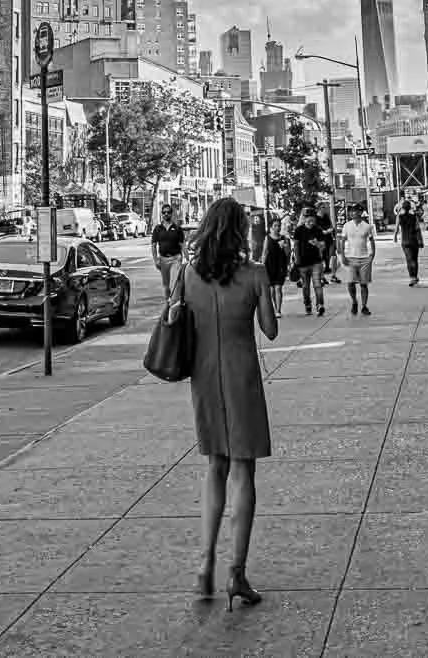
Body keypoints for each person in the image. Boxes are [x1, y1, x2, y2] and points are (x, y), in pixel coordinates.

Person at [179, 196, 277, 611]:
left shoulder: (188, 274)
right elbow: (270, 330)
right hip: (242, 379)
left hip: (204, 378)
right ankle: (236, 572)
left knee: (214, 467)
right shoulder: (254, 274)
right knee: (244, 471)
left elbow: (177, 321)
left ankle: (205, 564)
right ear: (240, 231)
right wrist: (268, 287)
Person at [338, 204, 378, 315]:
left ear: (360, 213)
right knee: (350, 282)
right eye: (351, 211)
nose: (353, 213)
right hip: (351, 258)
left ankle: (364, 306)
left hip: (364, 258)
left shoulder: (367, 226)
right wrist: (342, 256)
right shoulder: (347, 226)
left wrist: (372, 254)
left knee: (363, 284)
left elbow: (371, 240)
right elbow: (342, 240)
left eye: (355, 211)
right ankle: (354, 302)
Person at [290, 210, 327, 315]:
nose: (311, 219)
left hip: (316, 262)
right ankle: (307, 304)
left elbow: (323, 246)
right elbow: (296, 246)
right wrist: (297, 260)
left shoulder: (318, 230)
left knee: (317, 284)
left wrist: (317, 243)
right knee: (305, 286)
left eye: (313, 217)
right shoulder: (299, 230)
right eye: (308, 217)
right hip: (303, 263)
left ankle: (320, 305)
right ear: (305, 218)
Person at [151, 208, 186, 297]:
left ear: (171, 214)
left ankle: (173, 304)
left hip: (176, 259)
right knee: (166, 287)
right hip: (163, 260)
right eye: (164, 212)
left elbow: (183, 245)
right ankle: (168, 302)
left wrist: (187, 259)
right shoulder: (158, 229)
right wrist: (156, 260)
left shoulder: (177, 228)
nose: (166, 214)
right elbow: (154, 245)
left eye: (168, 212)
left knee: (173, 284)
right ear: (162, 214)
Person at [262, 213, 290, 314]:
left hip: (280, 266)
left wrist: (284, 247)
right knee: (272, 290)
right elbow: (265, 252)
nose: (277, 228)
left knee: (278, 288)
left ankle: (278, 310)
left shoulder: (284, 238)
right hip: (269, 266)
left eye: (279, 225)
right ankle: (274, 307)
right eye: (275, 226)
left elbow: (287, 253)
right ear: (271, 227)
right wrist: (262, 265)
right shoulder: (267, 238)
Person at [397, 197, 426, 286]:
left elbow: (396, 228)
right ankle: (415, 276)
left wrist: (394, 236)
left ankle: (412, 277)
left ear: (402, 207)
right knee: (414, 259)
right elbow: (417, 229)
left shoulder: (400, 217)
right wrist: (420, 241)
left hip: (405, 242)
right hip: (414, 241)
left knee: (409, 259)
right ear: (410, 207)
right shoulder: (414, 217)